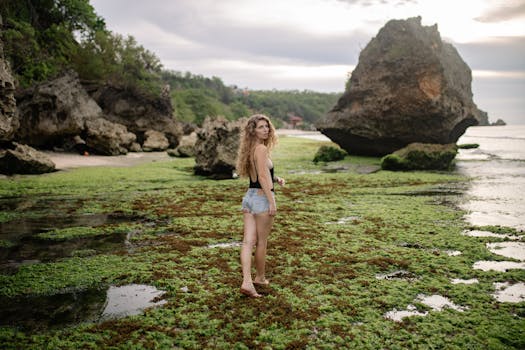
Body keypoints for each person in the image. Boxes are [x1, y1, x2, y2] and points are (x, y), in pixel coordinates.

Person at [236, 114, 285, 298]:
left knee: (248, 242)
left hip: (249, 198)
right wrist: (272, 200)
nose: (265, 130)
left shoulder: (250, 149)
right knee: (261, 242)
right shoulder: (262, 149)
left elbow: (260, 175)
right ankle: (260, 278)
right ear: (253, 131)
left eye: (267, 126)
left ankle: (246, 282)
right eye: (261, 127)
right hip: (261, 199)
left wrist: (276, 179)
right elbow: (263, 178)